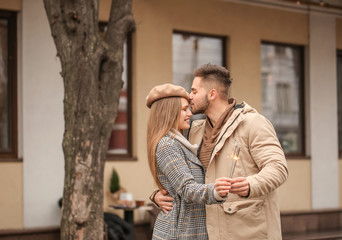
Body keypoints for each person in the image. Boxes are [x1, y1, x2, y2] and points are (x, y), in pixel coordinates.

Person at [152, 64, 288, 240]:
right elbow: (179, 173)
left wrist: (250, 185)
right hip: (209, 233)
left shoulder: (254, 124)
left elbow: (278, 168)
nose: (189, 96)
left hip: (247, 233)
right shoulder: (194, 130)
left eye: (194, 91)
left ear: (212, 94)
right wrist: (157, 195)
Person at [146, 83, 231, 240]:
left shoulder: (181, 142)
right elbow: (186, 189)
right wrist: (216, 191)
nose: (190, 113)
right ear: (168, 112)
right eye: (184, 109)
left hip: (188, 229)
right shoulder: (168, 145)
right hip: (178, 232)